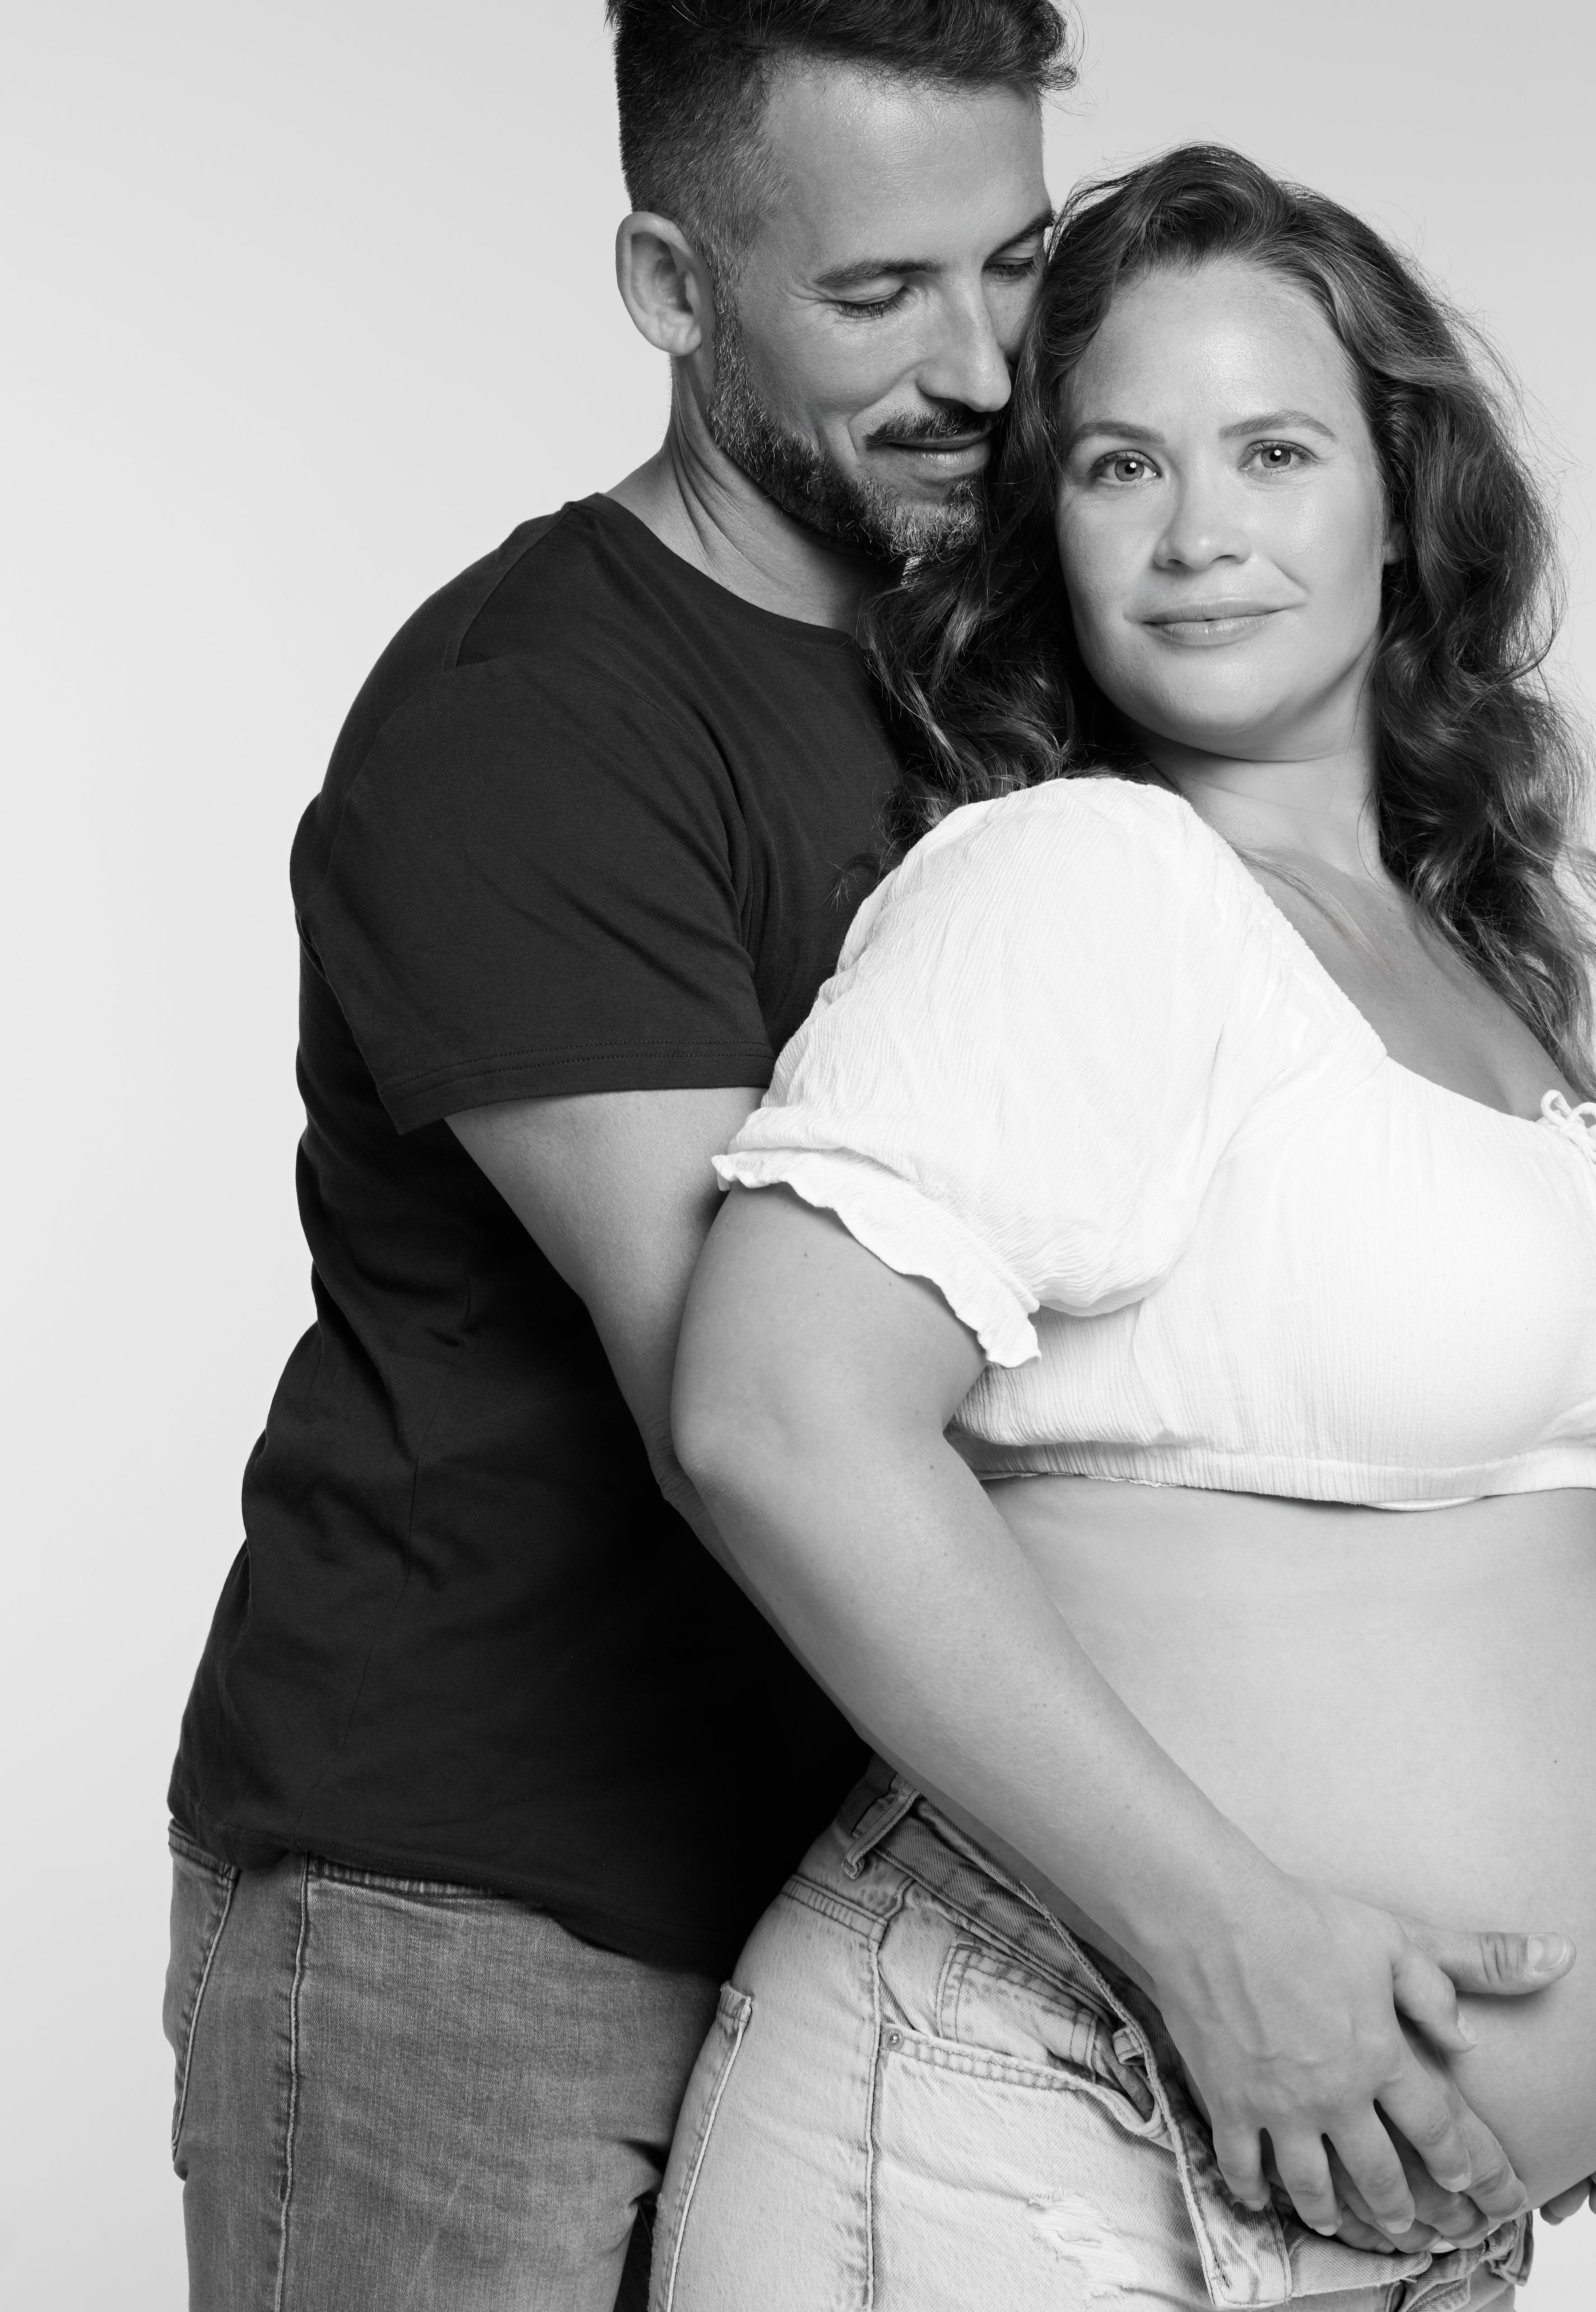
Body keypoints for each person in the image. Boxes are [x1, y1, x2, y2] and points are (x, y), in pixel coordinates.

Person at [654, 145, 1596, 2310]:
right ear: (1045, 526)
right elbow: (773, 1416)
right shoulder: (1080, 882)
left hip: (1374, 2184)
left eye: (1273, 450)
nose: (1198, 530)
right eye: (1121, 464)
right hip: (1057, 2102)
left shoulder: (1463, 949)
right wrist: (1230, 1944)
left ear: (1402, 501)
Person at [159, 7, 1076, 2307]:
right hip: (484, 1924)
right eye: (876, 295)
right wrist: (1233, 1914)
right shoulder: (529, 719)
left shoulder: (1019, 674)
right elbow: (768, 1426)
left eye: (1018, 266)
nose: (981, 367)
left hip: (889, 1885)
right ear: (672, 285)